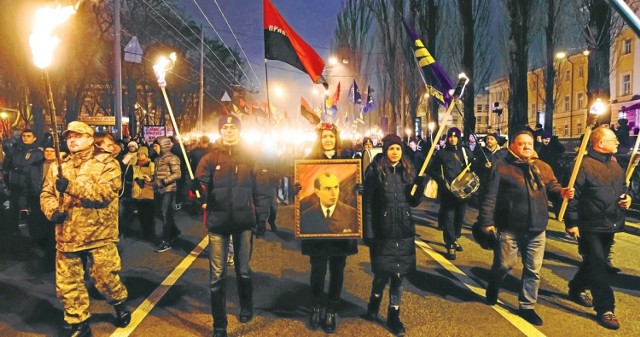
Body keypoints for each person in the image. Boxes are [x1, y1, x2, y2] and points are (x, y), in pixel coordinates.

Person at [40, 121, 131, 337]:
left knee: (104, 278)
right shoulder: (58, 165)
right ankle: (79, 323)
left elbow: (106, 194)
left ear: (90, 139)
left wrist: (71, 186)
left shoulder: (107, 163)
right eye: (69, 136)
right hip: (67, 234)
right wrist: (52, 211)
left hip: (99, 233)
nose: (72, 139)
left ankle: (119, 303)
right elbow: (46, 194)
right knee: (68, 283)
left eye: (78, 135)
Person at [478, 130, 572, 326]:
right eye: (522, 144)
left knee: (533, 269)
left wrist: (562, 192)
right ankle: (494, 284)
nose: (527, 147)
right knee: (505, 264)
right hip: (509, 227)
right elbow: (490, 197)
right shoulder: (501, 167)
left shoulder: (542, 167)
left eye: (529, 143)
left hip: (537, 228)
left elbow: (552, 186)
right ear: (512, 146)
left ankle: (527, 306)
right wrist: (486, 222)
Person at [192, 114, 270, 337]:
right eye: (224, 128)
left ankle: (246, 306)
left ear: (239, 131)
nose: (228, 131)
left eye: (233, 128)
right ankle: (219, 324)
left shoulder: (250, 158)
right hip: (217, 224)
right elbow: (200, 189)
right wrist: (196, 191)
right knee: (217, 276)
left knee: (243, 271)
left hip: (243, 223)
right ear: (220, 132)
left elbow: (261, 190)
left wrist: (262, 218)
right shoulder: (209, 159)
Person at [564, 126, 631, 330]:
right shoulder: (582, 166)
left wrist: (628, 198)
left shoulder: (614, 163)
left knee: (593, 263)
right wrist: (572, 223)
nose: (617, 142)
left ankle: (576, 287)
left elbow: (623, 188)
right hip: (589, 224)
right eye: (613, 140)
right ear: (600, 143)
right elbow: (572, 196)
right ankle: (605, 308)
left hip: (609, 223)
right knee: (599, 266)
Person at [296, 122, 358, 333]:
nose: (328, 140)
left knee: (337, 271)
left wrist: (360, 188)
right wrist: (296, 188)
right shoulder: (310, 161)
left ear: (336, 139)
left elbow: (357, 189)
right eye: (324, 137)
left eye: (331, 137)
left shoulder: (348, 161)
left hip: (341, 233)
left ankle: (331, 308)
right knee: (318, 270)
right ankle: (316, 306)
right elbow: (295, 188)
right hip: (317, 234)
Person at [363, 134, 425, 336]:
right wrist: (369, 232)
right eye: (391, 148)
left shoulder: (408, 171)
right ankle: (374, 302)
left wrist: (420, 186)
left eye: (398, 148)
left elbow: (413, 201)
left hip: (404, 231)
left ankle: (393, 315)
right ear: (385, 150)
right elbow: (369, 204)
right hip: (384, 232)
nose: (395, 152)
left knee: (399, 277)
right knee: (381, 275)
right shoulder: (376, 172)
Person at [428, 127, 475, 260]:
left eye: (455, 136)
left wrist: (484, 165)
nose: (452, 139)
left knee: (460, 217)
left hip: (463, 192)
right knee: (448, 217)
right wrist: (442, 182)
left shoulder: (465, 152)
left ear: (459, 138)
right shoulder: (441, 153)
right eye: (450, 136)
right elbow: (432, 170)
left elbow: (474, 166)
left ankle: (455, 237)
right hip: (447, 191)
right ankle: (450, 244)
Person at [2, 129, 43, 234]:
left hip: (31, 185)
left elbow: (39, 169)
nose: (25, 138)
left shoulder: (38, 152)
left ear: (34, 138)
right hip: (16, 184)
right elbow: (7, 164)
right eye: (24, 135)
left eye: (29, 136)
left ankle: (35, 233)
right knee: (14, 208)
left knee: (32, 210)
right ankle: (14, 232)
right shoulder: (15, 149)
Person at [153, 136, 182, 252]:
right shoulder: (158, 159)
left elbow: (177, 174)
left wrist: (163, 182)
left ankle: (166, 241)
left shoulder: (172, 158)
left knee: (165, 214)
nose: (154, 148)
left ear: (163, 146)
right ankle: (174, 231)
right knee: (162, 213)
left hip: (169, 190)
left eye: (156, 146)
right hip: (160, 190)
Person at [132, 146, 156, 241]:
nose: (140, 156)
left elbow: (154, 176)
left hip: (148, 192)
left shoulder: (151, 164)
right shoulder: (135, 164)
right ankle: (144, 233)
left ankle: (150, 234)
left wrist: (149, 179)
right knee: (141, 215)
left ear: (146, 155)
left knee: (149, 215)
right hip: (137, 193)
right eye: (139, 154)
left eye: (142, 154)